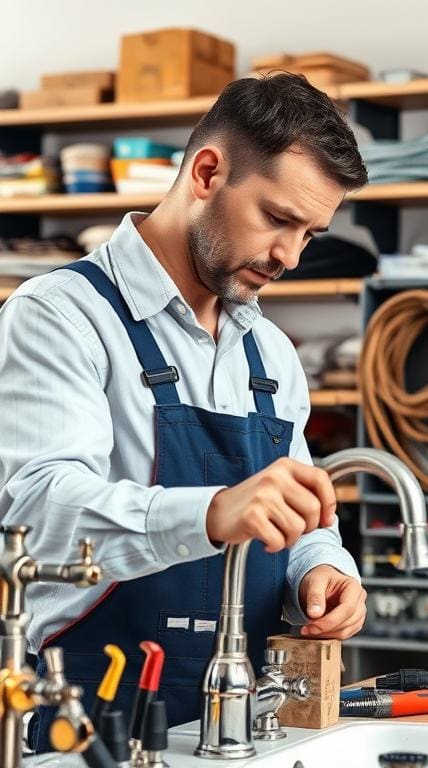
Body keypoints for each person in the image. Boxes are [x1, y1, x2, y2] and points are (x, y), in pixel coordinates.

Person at [0, 73, 369, 748]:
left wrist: (322, 570)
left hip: (236, 732)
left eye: (310, 234)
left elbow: (298, 517)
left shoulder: (272, 356)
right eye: (279, 219)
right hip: (81, 729)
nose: (289, 255)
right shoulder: (59, 317)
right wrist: (209, 513)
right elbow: (35, 511)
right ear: (207, 171)